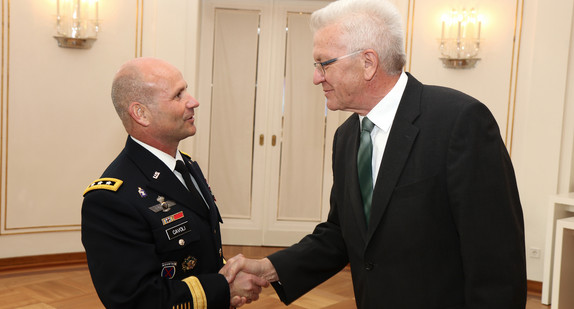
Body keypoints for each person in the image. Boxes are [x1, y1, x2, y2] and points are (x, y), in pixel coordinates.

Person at [220, 0, 527, 308]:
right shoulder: (346, 137)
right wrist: (270, 268)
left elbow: (496, 261)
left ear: (368, 62)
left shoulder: (459, 122)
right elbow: (341, 234)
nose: (316, 77)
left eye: (323, 63)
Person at [81, 57, 267, 308]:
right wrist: (223, 287)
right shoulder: (110, 199)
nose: (193, 101)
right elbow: (135, 299)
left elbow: (199, 255)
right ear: (141, 113)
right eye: (179, 95)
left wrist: (228, 278)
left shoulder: (185, 165)